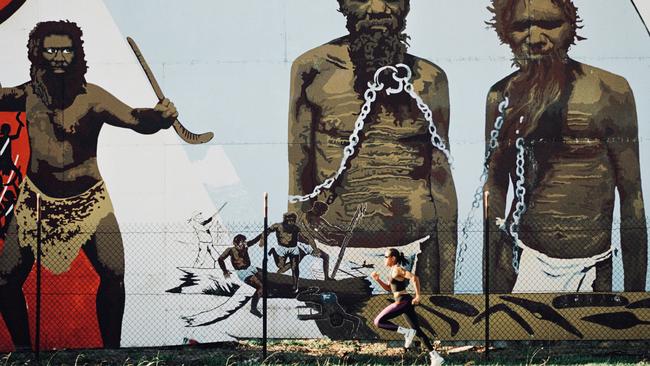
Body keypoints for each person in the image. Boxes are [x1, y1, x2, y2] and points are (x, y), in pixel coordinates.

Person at [0, 21, 178, 348]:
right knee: (5, 280)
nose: (59, 57)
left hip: (89, 203)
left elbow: (136, 119)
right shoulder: (26, 95)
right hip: (35, 202)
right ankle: (24, 352)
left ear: (77, 53)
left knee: (114, 275)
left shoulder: (93, 97)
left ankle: (111, 352)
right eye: (51, 49)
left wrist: (160, 117)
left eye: (66, 49)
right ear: (37, 52)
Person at [287, 0, 458, 294]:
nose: (377, 8)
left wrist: (444, 281)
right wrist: (300, 245)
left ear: (406, 5)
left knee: (411, 336)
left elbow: (441, 179)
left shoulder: (430, 79)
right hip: (334, 251)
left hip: (414, 252)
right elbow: (298, 168)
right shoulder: (312, 70)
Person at [484, 0, 646, 293]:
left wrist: (635, 297)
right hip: (522, 258)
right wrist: (491, 292)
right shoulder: (501, 96)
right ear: (505, 32)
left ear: (570, 27)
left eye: (549, 24)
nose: (534, 39)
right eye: (521, 27)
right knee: (511, 340)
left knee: (590, 340)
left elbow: (632, 196)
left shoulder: (610, 90)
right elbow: (494, 188)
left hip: (593, 265)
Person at [371, 248, 444, 366]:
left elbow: (415, 278)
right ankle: (435, 357)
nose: (384, 259)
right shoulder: (392, 270)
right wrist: (378, 280)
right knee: (418, 331)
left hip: (402, 302)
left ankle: (406, 332)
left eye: (386, 257)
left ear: (393, 258)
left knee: (378, 321)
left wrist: (418, 296)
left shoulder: (398, 269)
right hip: (404, 302)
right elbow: (390, 288)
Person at [218, 234, 264, 318]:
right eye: (242, 242)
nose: (244, 243)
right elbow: (220, 259)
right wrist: (225, 271)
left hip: (251, 268)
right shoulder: (230, 250)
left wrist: (263, 233)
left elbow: (254, 240)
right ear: (236, 243)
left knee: (265, 277)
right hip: (242, 272)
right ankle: (253, 309)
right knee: (260, 286)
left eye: (244, 241)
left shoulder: (245, 246)